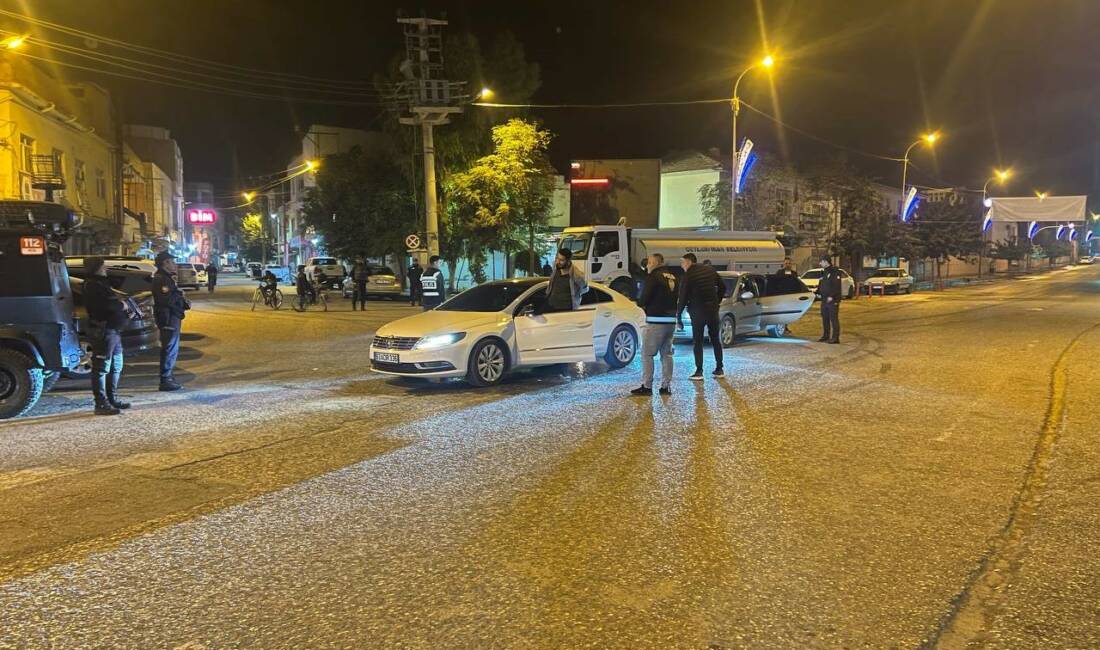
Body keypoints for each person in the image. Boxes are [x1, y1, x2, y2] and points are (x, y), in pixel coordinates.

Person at [83, 256, 132, 415]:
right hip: (104, 331)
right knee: (101, 367)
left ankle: (111, 398)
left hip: (114, 331)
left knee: (116, 365)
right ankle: (101, 403)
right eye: (103, 266)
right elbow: (107, 305)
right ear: (96, 268)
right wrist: (121, 305)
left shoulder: (101, 283)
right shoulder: (92, 285)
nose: (105, 269)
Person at [631, 253, 678, 397]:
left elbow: (644, 298)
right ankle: (666, 386)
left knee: (647, 354)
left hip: (656, 320)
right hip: (671, 321)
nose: (647, 266)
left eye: (650, 263)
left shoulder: (653, 277)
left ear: (657, 263)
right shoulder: (673, 276)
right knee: (667, 355)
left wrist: (639, 302)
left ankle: (647, 386)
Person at [676, 253, 726, 380]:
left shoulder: (689, 275)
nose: (682, 266)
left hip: (697, 310)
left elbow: (683, 295)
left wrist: (679, 315)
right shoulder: (710, 270)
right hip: (712, 309)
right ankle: (719, 368)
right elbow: (723, 287)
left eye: (682, 263)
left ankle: (699, 371)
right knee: (715, 339)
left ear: (688, 262)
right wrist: (717, 301)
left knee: (697, 341)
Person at [152, 251, 189, 391]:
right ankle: (165, 379)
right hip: (168, 318)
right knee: (169, 348)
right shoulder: (161, 279)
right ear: (165, 263)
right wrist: (179, 295)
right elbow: (165, 299)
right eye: (172, 262)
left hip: (171, 316)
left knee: (171, 348)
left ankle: (168, 376)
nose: (175, 264)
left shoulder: (166, 278)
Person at [816, 256, 843, 344]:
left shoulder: (835, 271)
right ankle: (826, 336)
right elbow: (821, 284)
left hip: (833, 300)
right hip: (824, 299)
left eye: (821, 262)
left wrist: (832, 296)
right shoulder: (823, 272)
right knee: (825, 318)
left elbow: (836, 285)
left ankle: (835, 338)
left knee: (833, 319)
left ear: (826, 261)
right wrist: (817, 293)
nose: (820, 264)